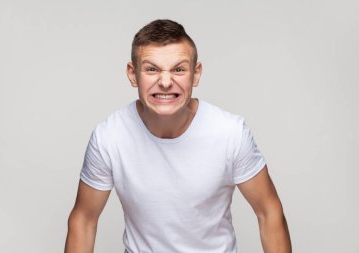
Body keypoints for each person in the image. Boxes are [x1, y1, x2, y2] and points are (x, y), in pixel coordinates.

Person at [65, 19, 291, 253]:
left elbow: (269, 212)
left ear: (195, 74)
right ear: (133, 75)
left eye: (179, 69)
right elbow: (83, 220)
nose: (165, 82)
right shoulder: (109, 137)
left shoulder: (230, 132)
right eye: (151, 69)